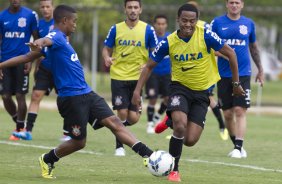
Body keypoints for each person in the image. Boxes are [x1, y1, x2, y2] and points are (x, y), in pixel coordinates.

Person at [1, 4, 154, 179]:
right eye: (74, 21)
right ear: (64, 21)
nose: (75, 24)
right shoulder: (56, 37)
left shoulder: (62, 40)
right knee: (79, 142)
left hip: (87, 93)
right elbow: (45, 41)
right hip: (72, 99)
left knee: (115, 122)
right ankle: (47, 159)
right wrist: (38, 42)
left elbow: (28, 56)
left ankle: (149, 155)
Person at [132, 4, 245, 182]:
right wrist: (137, 92)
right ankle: (174, 170)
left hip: (202, 92)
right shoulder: (169, 42)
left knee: (190, 140)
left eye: (192, 21)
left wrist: (236, 83)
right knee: (180, 126)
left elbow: (231, 54)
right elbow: (149, 66)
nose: (188, 24)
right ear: (178, 20)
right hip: (180, 88)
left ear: (197, 21)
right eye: (184, 20)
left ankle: (169, 120)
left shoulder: (206, 35)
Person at [154, 1, 229, 141]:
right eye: (185, 18)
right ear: (179, 17)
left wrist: (225, 55)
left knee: (209, 100)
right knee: (206, 100)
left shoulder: (205, 27)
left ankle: (172, 121)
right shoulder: (179, 34)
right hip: (183, 78)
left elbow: (212, 47)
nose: (188, 22)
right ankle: (220, 125)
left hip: (204, 72)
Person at [102, 0, 157, 156]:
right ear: (125, 9)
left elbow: (156, 52)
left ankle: (116, 127)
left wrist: (147, 63)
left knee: (133, 118)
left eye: (135, 7)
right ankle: (119, 145)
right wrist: (106, 58)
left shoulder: (148, 30)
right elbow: (106, 49)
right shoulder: (115, 29)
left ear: (140, 10)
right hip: (118, 76)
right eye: (130, 7)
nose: (133, 10)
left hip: (138, 79)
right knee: (122, 113)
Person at [210, 0, 264, 158]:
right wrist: (225, 54)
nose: (234, 5)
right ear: (227, 4)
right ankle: (236, 145)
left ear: (242, 5)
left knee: (240, 110)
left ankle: (239, 147)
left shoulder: (249, 24)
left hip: (243, 73)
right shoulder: (217, 23)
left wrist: (260, 69)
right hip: (223, 75)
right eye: (231, 2)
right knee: (227, 114)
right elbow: (210, 47)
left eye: (237, 2)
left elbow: (253, 48)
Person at [12, 0, 71, 142]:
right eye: (42, 7)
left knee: (65, 99)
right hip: (45, 66)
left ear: (53, 8)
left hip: (60, 68)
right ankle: (28, 131)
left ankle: (67, 132)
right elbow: (38, 48)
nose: (45, 9)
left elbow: (66, 44)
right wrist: (34, 65)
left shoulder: (61, 24)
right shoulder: (39, 25)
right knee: (35, 96)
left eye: (47, 6)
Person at [0, 0, 39, 140]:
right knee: (5, 96)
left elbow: (36, 39)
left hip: (23, 61)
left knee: (20, 95)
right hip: (4, 62)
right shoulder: (1, 16)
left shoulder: (30, 15)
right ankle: (18, 121)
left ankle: (19, 129)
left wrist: (31, 60)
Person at [145, 14, 171, 134]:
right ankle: (150, 123)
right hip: (153, 73)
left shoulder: (170, 38)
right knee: (153, 98)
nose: (161, 26)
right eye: (158, 24)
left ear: (166, 25)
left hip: (167, 74)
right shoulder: (150, 38)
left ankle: (157, 116)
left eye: (163, 24)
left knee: (167, 99)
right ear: (154, 25)